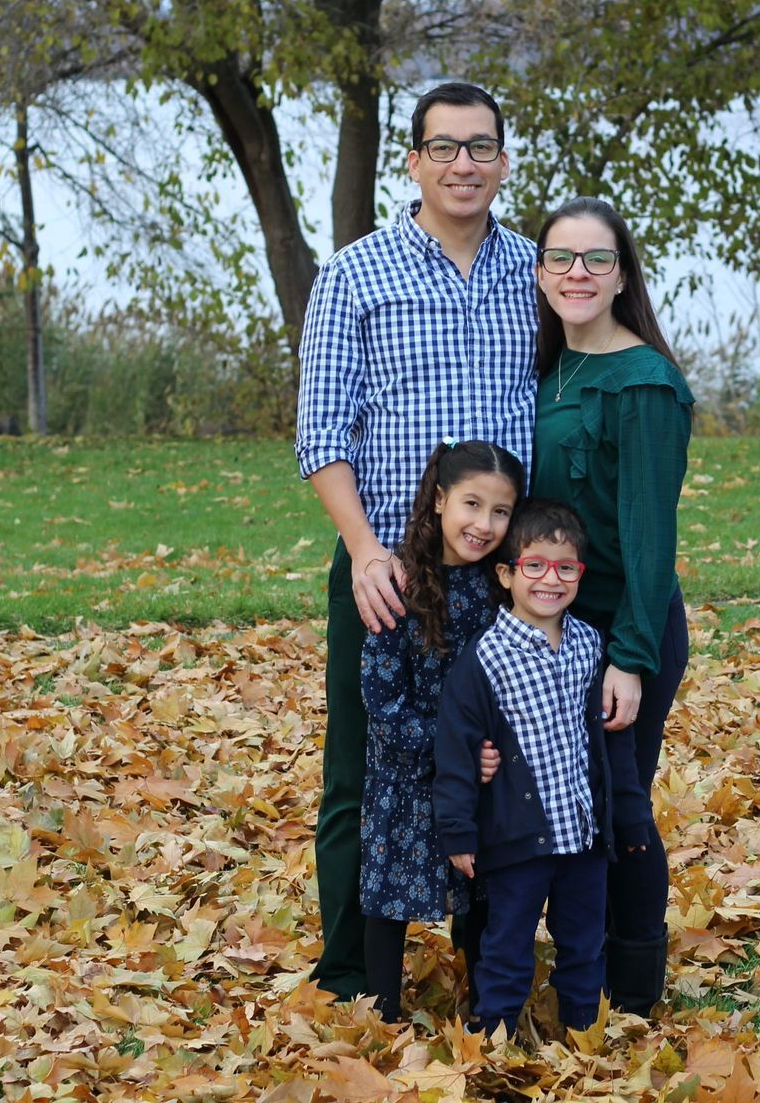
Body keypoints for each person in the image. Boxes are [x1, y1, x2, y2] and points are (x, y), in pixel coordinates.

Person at [293, 81, 537, 1001]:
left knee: (495, 767)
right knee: (364, 771)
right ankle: (354, 972)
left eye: (481, 148)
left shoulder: (534, 273)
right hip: (388, 567)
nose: (463, 165)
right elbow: (322, 433)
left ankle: (497, 966)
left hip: (505, 577)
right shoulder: (358, 273)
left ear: (503, 163)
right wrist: (363, 549)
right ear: (414, 162)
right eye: (445, 148)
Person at [529, 197, 694, 1015]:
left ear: (622, 274)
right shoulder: (544, 369)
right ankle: (571, 970)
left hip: (620, 628)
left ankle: (630, 991)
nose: (578, 274)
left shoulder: (643, 384)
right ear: (540, 272)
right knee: (559, 808)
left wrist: (629, 656)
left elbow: (650, 541)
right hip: (542, 628)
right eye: (561, 258)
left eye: (596, 259)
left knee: (618, 806)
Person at [434, 499, 655, 1036]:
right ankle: (493, 1039)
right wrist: (459, 831)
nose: (550, 580)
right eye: (534, 565)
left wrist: (628, 817)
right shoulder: (484, 659)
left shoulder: (589, 646)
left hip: (582, 839)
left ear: (580, 574)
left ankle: (583, 1035)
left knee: (583, 944)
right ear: (507, 573)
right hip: (517, 843)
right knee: (507, 947)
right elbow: (457, 750)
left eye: (565, 568)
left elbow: (612, 746)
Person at [358, 440, 524, 1021]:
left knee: (477, 887)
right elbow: (381, 701)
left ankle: (486, 1004)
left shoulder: (502, 590)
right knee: (389, 898)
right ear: (438, 501)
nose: (483, 524)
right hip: (406, 772)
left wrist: (489, 750)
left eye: (500, 511)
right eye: (471, 505)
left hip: (479, 770)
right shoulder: (399, 583)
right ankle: (380, 1011)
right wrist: (453, 749)